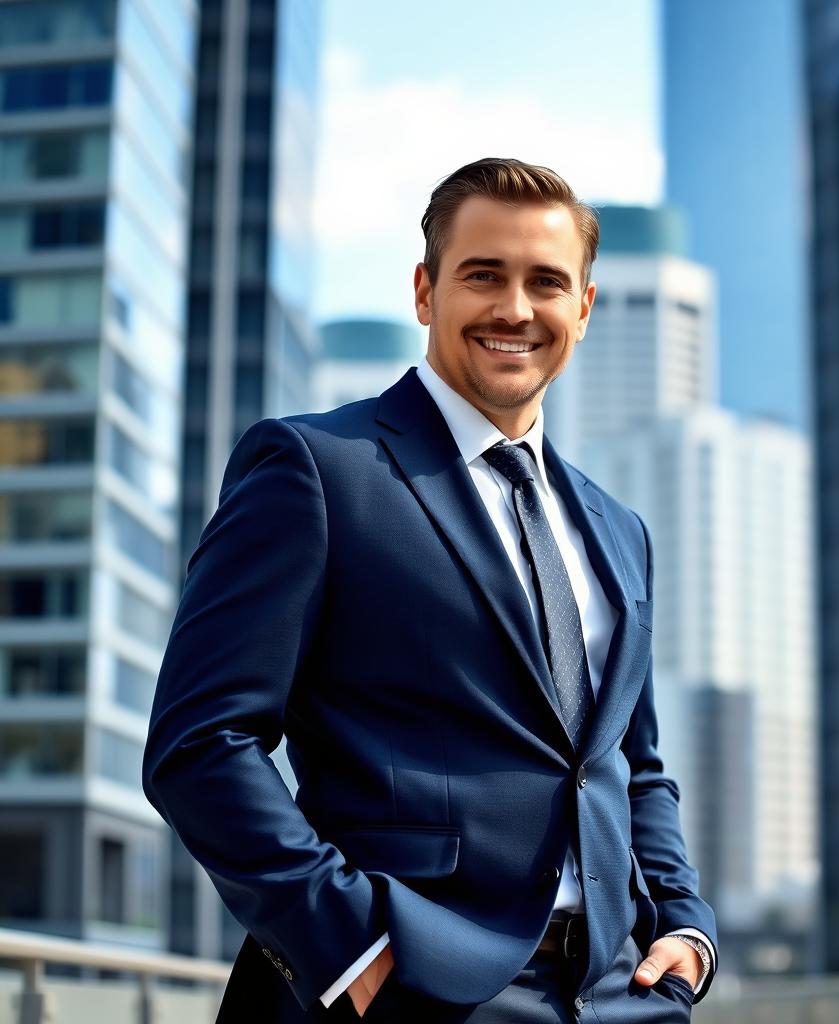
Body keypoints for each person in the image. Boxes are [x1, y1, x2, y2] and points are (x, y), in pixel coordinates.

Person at [143, 158, 717, 1023]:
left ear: (585, 309)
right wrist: (348, 944)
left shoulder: (617, 530)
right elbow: (201, 740)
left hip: (612, 995)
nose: (515, 308)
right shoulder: (316, 470)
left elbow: (631, 766)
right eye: (483, 275)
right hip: (405, 985)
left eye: (547, 282)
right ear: (425, 291)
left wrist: (684, 925)